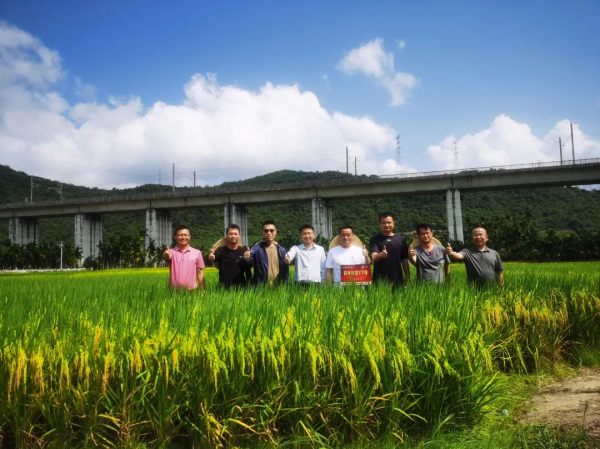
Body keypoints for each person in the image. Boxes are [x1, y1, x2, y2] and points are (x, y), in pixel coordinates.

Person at [369, 212, 410, 287]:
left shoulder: (400, 240)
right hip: (379, 280)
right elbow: (374, 256)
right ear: (380, 225)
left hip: (398, 279)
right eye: (383, 223)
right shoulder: (374, 239)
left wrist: (407, 278)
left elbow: (404, 260)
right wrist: (380, 255)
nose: (386, 225)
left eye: (389, 222)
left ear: (393, 223)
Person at [245, 220, 289, 285]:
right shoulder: (256, 248)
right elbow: (249, 264)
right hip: (261, 286)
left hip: (279, 287)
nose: (269, 233)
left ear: (275, 232)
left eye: (271, 230)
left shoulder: (281, 250)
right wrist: (246, 258)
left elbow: (285, 269)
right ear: (262, 233)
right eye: (266, 231)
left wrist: (286, 283)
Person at [208, 224, 252, 289]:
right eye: (230, 234)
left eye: (235, 234)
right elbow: (215, 257)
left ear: (239, 236)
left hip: (241, 289)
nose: (233, 236)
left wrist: (246, 259)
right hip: (223, 289)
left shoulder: (244, 251)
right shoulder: (221, 250)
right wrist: (212, 257)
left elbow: (248, 270)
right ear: (226, 236)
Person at [163, 225, 205, 290]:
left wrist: (203, 290)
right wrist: (166, 255)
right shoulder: (171, 252)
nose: (183, 237)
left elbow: (199, 273)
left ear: (189, 237)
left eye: (185, 235)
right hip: (174, 292)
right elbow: (167, 257)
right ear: (175, 237)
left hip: (191, 291)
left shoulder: (197, 253)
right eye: (180, 235)